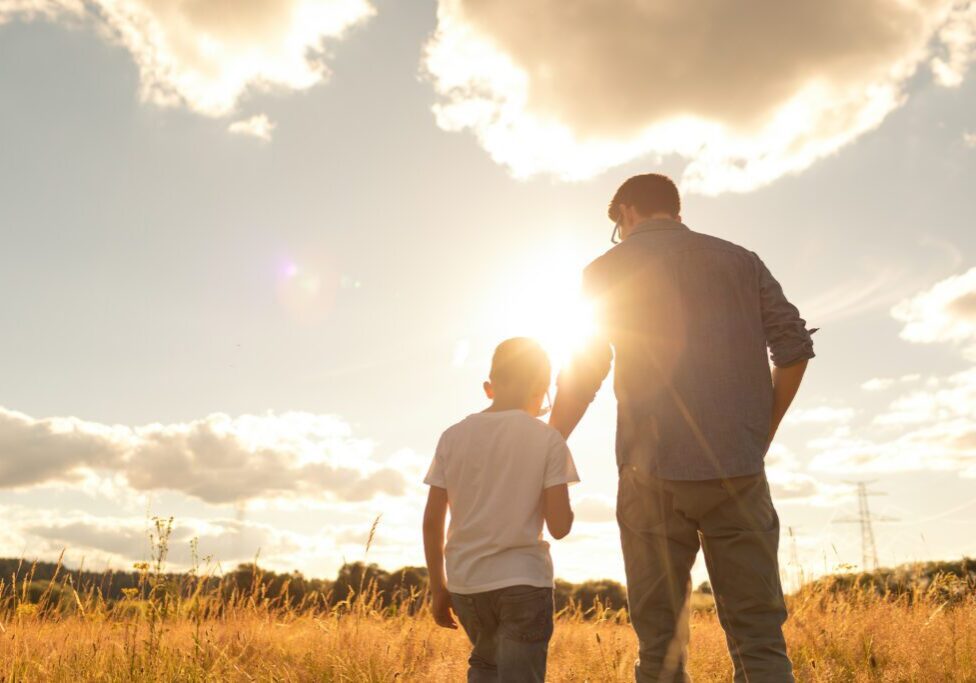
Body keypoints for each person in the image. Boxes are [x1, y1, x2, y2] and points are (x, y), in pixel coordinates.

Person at [550, 174, 815, 682]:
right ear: (675, 209)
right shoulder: (740, 260)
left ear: (626, 212)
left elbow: (585, 370)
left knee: (660, 649)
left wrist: (547, 438)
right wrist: (759, 432)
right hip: (736, 469)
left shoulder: (605, 270)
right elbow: (794, 349)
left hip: (648, 475)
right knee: (759, 638)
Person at [423, 337, 579, 683]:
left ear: (489, 387)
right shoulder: (548, 439)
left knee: (485, 668)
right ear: (541, 390)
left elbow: (433, 521)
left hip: (467, 584)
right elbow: (559, 526)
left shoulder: (452, 437)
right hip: (524, 581)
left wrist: (438, 587)